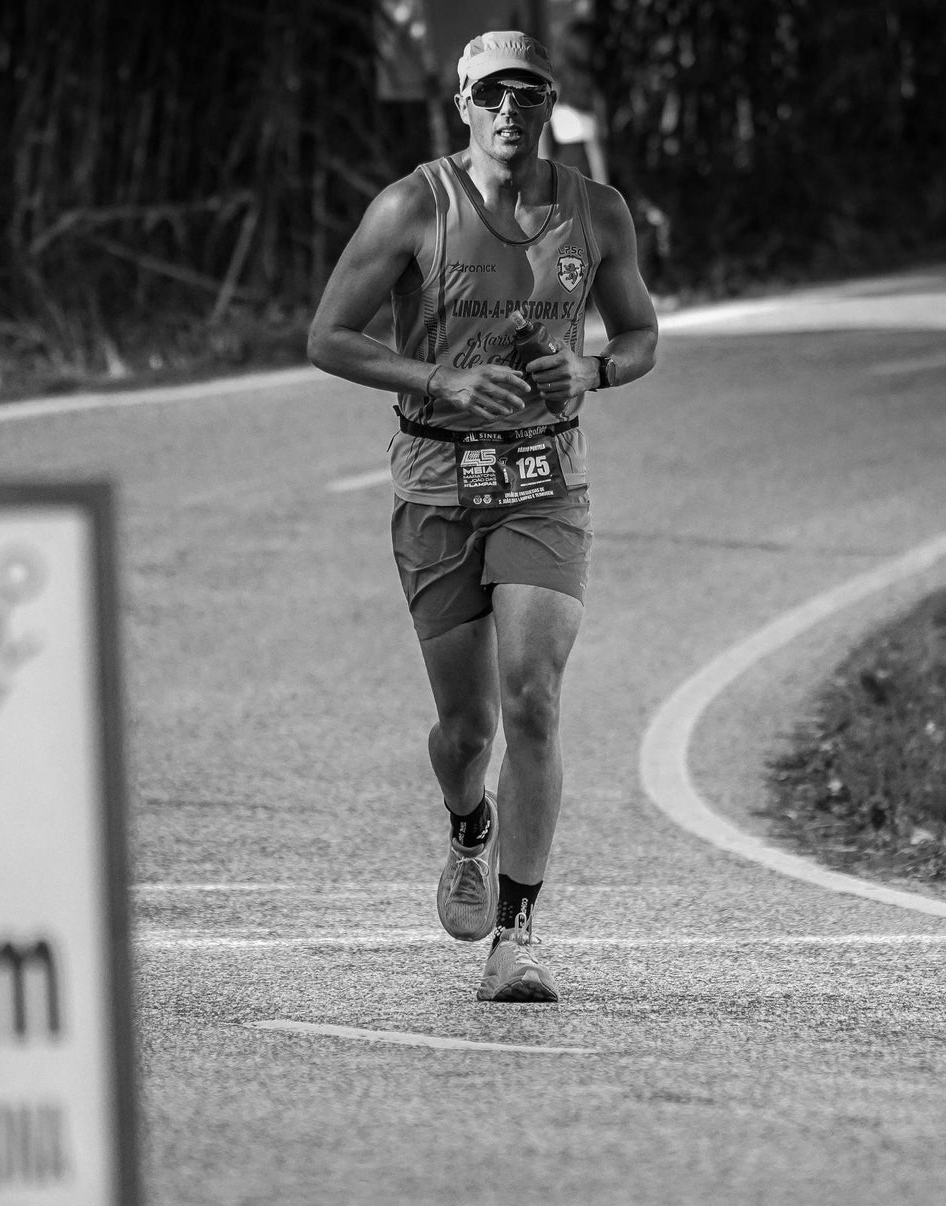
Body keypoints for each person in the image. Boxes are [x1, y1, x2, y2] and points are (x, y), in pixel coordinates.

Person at [307, 29, 658, 1002]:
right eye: (493, 94)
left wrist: (586, 368)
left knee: (532, 697)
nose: (512, 110)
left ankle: (517, 934)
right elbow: (326, 336)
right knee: (465, 733)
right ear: (462, 104)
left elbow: (638, 336)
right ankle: (468, 822)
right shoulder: (412, 206)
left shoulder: (595, 213)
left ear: (547, 106)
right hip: (435, 479)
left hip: (547, 475)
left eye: (529, 95)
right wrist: (439, 379)